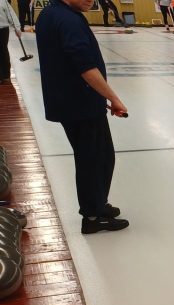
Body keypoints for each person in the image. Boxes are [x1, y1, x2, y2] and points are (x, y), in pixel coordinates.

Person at [35, 0, 130, 234]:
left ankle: (98, 204)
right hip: (81, 102)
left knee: (98, 155)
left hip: (70, 100)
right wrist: (112, 98)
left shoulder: (50, 13)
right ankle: (93, 216)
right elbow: (85, 66)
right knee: (94, 159)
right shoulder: (68, 20)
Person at [1, 0, 18, 85]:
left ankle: (6, 75)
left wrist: (17, 28)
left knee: (3, 51)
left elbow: (11, 15)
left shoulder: (3, 1)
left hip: (3, 29)